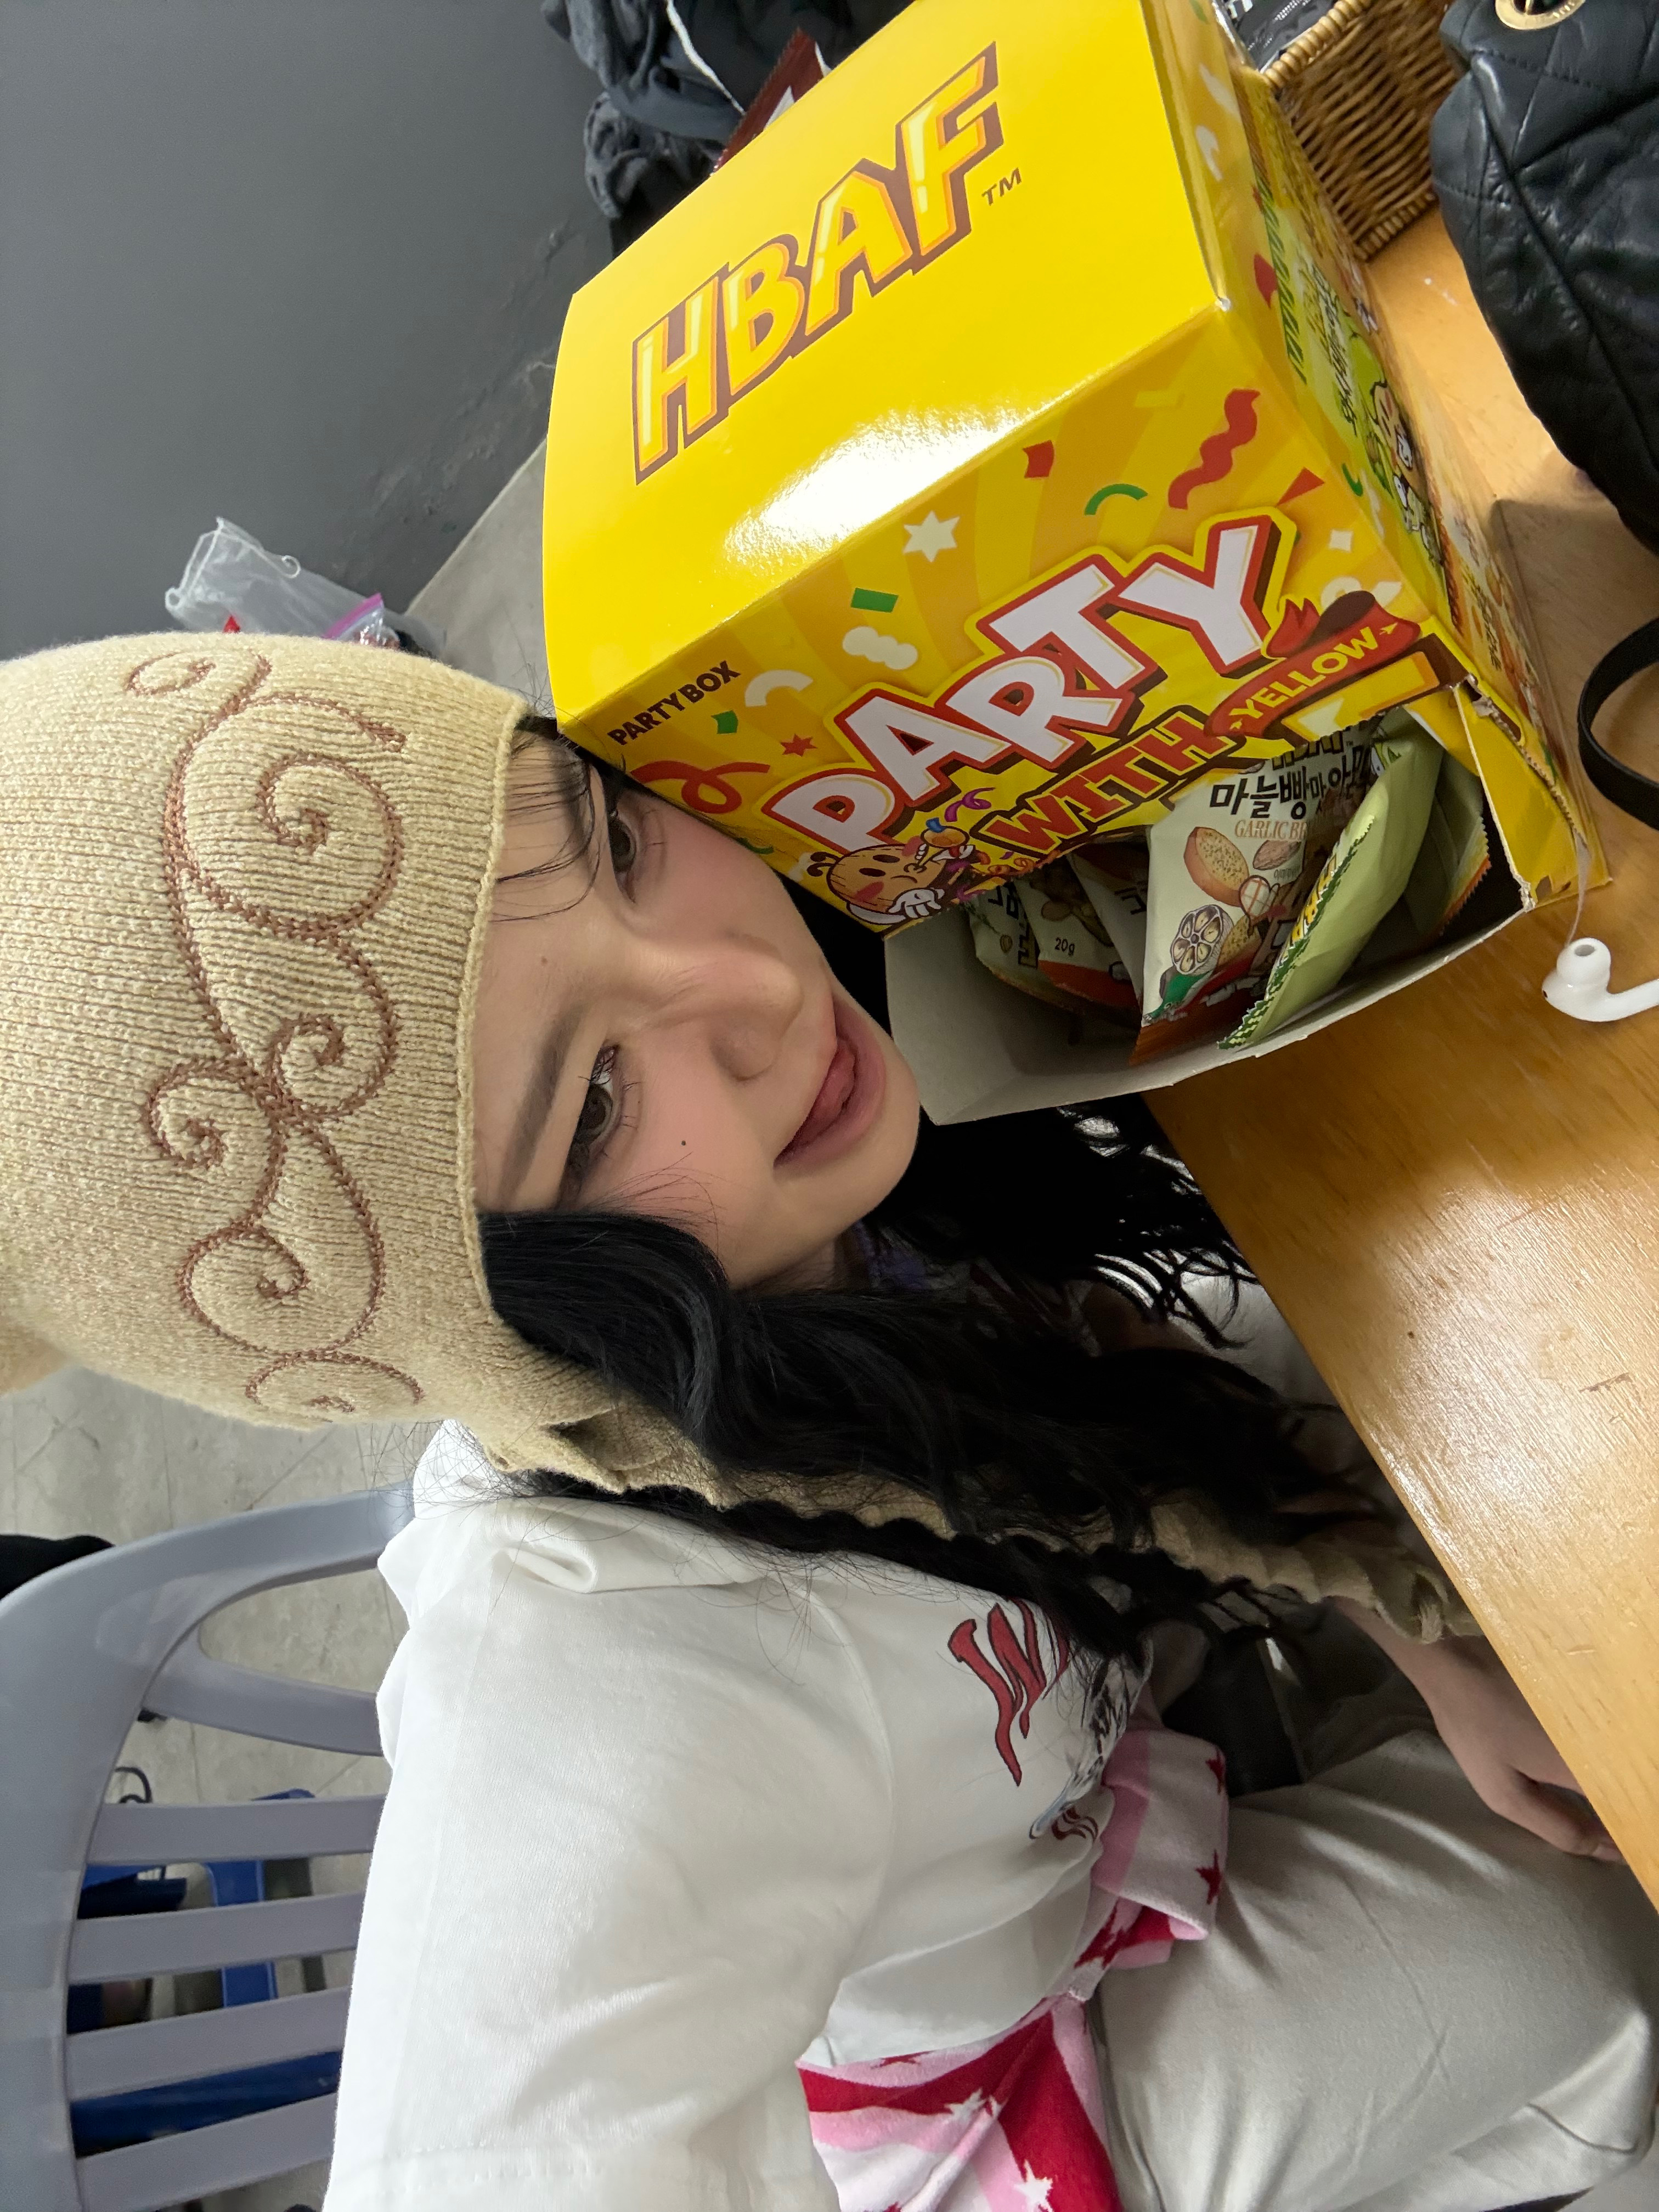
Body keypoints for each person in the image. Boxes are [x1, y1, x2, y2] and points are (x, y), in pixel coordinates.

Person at [2, 633, 1654, 2212]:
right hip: (1001, 2070)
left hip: (1105, 1734)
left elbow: (1090, 1346)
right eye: (595, 1100)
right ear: (485, 1325)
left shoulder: (837, 1178)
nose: (746, 987)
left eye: (616, 845)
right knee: (1595, 1950)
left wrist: (1402, 1609)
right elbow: (513, 2119)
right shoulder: (613, 1667)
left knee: (1414, 1331)